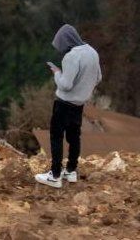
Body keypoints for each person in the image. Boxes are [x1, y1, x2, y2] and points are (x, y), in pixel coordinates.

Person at [35, 24, 102, 188]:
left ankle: (55, 175)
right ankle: (71, 170)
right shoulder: (92, 52)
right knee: (74, 137)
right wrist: (83, 87)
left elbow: (65, 85)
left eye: (61, 46)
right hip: (79, 104)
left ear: (66, 42)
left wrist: (57, 73)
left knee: (56, 137)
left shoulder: (71, 56)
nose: (62, 50)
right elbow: (98, 77)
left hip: (63, 104)